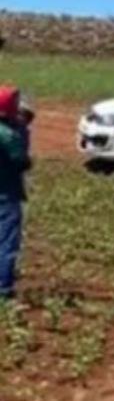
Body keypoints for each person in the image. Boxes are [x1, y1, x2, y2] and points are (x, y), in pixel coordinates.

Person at [0, 87, 33, 301]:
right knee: (7, 240)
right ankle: (3, 288)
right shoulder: (11, 135)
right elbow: (22, 162)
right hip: (6, 192)